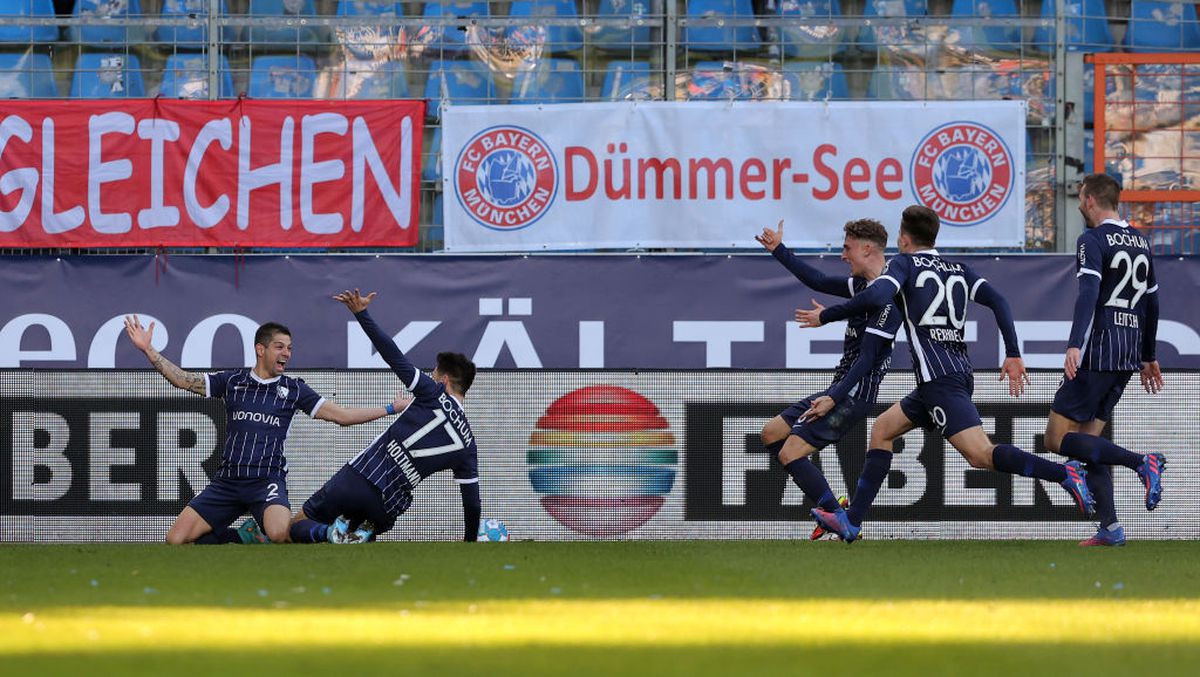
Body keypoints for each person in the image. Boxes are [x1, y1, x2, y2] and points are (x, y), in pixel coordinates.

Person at [796, 205, 1097, 541]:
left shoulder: (904, 264)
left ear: (904, 238)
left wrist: (828, 316)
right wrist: (1012, 351)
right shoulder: (958, 269)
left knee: (981, 455)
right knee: (882, 429)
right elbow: (999, 301)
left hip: (940, 381)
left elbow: (879, 293)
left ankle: (1064, 472)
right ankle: (852, 521)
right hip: (948, 376)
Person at [123, 315, 401, 545]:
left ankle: (331, 534)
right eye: (280, 347)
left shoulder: (294, 389)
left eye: (289, 348)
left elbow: (342, 416)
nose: (287, 354)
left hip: (266, 482)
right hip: (227, 482)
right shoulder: (232, 381)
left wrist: (390, 408)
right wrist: (148, 350)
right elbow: (184, 381)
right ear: (261, 349)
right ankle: (245, 537)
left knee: (280, 533)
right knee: (176, 540)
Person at [288, 289, 481, 544]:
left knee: (292, 529)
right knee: (349, 543)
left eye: (433, 374)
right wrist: (470, 544)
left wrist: (362, 314)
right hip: (388, 505)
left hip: (360, 477)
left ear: (444, 380)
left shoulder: (433, 393)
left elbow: (392, 355)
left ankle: (328, 532)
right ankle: (355, 535)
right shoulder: (468, 444)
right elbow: (472, 502)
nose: (430, 377)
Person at [755, 218, 901, 542]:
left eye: (847, 248)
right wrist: (779, 249)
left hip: (853, 394)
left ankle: (839, 519)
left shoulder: (889, 298)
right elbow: (817, 279)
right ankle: (836, 511)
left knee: (789, 453)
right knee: (772, 434)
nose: (842, 255)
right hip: (839, 388)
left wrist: (834, 397)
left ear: (867, 249)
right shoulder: (862, 285)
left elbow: (867, 359)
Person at [1042, 173, 1166, 547]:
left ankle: (1141, 462)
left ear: (1092, 199)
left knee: (1055, 439)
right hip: (1126, 355)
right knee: (1088, 441)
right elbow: (1153, 302)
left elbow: (1089, 293)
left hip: (1098, 350)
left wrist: (1075, 343)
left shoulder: (1093, 240)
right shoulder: (1141, 242)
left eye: (1081, 198)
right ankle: (1110, 527)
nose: (1079, 204)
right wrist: (1147, 355)